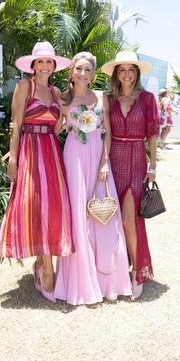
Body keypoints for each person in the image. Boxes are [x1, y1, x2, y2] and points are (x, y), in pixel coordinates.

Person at [0, 41, 75, 302]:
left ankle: (45, 267)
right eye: (40, 61)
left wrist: (64, 118)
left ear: (54, 66)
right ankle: (46, 269)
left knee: (53, 209)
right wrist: (13, 158)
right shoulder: (24, 86)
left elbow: (61, 124)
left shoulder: (55, 92)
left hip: (51, 152)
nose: (44, 65)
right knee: (34, 206)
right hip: (29, 150)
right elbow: (16, 125)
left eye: (48, 62)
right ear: (33, 65)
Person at [54, 52, 132, 305]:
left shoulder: (101, 97)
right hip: (74, 156)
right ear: (72, 72)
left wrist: (105, 162)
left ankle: (108, 279)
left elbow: (107, 131)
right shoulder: (64, 100)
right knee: (79, 212)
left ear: (93, 73)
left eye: (88, 69)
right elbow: (54, 129)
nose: (83, 74)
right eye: (79, 69)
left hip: (98, 157)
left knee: (104, 216)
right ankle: (81, 281)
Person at [101, 51, 160, 299]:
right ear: (116, 74)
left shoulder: (147, 99)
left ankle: (137, 269)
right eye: (122, 70)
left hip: (136, 159)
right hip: (113, 159)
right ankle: (118, 267)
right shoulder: (109, 99)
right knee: (112, 221)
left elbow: (153, 134)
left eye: (131, 70)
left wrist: (153, 165)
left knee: (129, 220)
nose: (126, 74)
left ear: (136, 73)